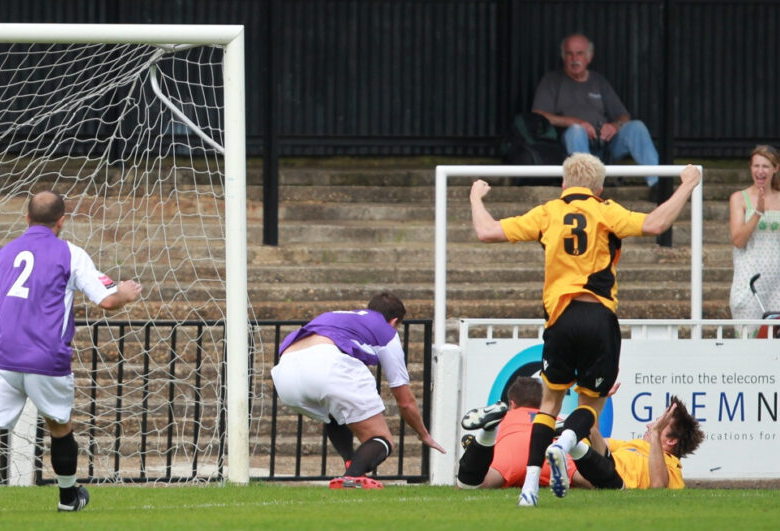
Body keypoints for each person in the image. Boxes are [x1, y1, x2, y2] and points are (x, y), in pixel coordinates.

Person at [469, 153, 701, 507]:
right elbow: (655, 224)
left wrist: (475, 196)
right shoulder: (606, 210)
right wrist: (687, 184)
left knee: (549, 403)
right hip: (597, 315)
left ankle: (530, 488)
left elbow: (486, 231)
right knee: (590, 404)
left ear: (564, 184)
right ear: (599, 186)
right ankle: (564, 445)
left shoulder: (548, 212)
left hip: (560, 318)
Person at [0, 191, 142, 516]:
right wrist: (125, 294)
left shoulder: (3, 255)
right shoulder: (70, 253)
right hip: (47, 359)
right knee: (59, 427)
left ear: (26, 218)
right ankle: (68, 497)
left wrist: (0, 337)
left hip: (4, 358)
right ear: (61, 221)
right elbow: (107, 301)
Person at [270, 292, 445, 489]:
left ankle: (352, 464)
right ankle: (351, 478)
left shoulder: (338, 315)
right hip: (326, 363)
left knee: (334, 414)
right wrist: (424, 434)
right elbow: (404, 400)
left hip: (284, 374)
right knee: (381, 439)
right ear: (395, 321)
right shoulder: (386, 331)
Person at [532, 33, 661, 194]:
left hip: (604, 145)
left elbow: (623, 116)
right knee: (576, 131)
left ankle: (658, 184)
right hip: (569, 146)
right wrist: (575, 122)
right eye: (569, 53)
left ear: (589, 57)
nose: (574, 58)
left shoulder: (598, 81)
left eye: (579, 53)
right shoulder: (552, 80)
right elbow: (538, 114)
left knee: (637, 127)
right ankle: (585, 190)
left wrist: (614, 126)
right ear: (563, 56)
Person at [456, 377, 586, 489]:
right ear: (543, 404)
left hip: (512, 452)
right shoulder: (556, 419)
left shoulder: (507, 416)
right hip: (551, 453)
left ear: (512, 403)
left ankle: (483, 439)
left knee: (469, 485)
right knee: (597, 480)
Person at [570, 396, 704, 489]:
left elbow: (658, 486)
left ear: (671, 440)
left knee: (564, 453)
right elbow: (595, 441)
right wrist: (599, 402)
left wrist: (656, 433)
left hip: (611, 482)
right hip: (591, 469)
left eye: (658, 424)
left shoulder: (671, 467)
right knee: (573, 435)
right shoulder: (634, 444)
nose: (649, 426)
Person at [728, 145, 780, 326]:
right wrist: (758, 212)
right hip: (749, 280)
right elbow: (738, 240)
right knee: (748, 341)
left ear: (776, 168)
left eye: (765, 166)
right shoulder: (739, 198)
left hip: (778, 281)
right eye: (756, 166)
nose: (760, 171)